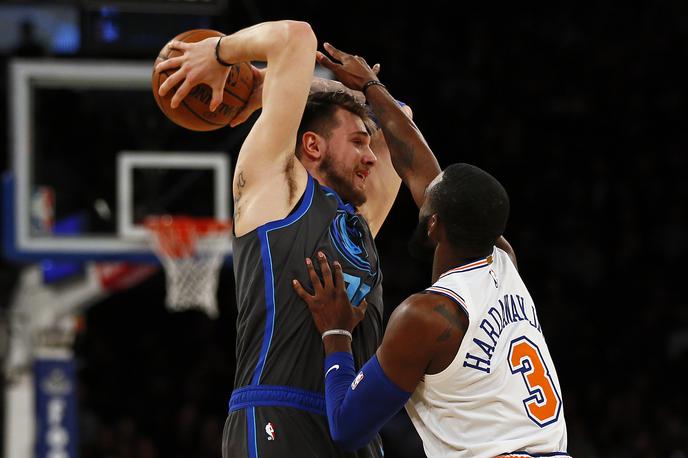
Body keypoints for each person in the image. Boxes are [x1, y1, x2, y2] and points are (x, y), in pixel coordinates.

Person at [155, 21, 422, 458]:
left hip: (352, 422)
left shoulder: (359, 220)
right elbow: (295, 37)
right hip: (276, 414)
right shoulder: (274, 188)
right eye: (357, 142)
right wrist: (222, 53)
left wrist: (286, 90)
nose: (371, 156)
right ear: (312, 146)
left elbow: (401, 121)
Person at [292, 47, 569, 457]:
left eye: (428, 206)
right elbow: (423, 170)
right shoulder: (503, 264)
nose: (421, 199)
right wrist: (371, 87)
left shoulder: (426, 316)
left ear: (435, 223)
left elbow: (347, 428)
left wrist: (336, 333)